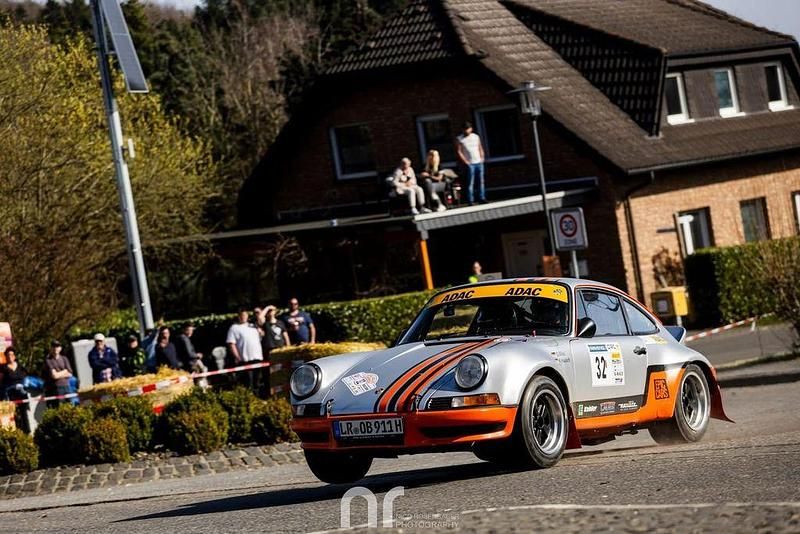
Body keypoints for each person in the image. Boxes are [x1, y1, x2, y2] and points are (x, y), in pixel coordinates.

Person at [226, 308, 265, 391]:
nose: (243, 317)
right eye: (242, 315)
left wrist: (261, 332)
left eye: (245, 315)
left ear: (248, 316)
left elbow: (262, 336)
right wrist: (238, 357)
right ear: (238, 316)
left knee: (257, 382)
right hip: (245, 359)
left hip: (257, 358)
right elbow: (231, 344)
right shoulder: (234, 328)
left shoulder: (253, 326)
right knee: (248, 383)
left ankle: (258, 399)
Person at [456, 121, 486, 205]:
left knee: (481, 181)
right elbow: (459, 151)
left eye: (468, 129)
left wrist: (482, 157)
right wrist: (465, 161)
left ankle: (482, 197)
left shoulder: (476, 137)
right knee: (470, 182)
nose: (467, 131)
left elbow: (480, 147)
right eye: (465, 129)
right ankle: (470, 199)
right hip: (470, 163)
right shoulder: (460, 139)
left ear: (471, 129)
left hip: (478, 161)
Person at [43, 340, 78, 405]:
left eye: (57, 346)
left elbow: (70, 374)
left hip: (67, 386)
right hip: (56, 388)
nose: (55, 348)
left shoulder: (64, 358)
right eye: (53, 346)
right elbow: (54, 376)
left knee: (70, 406)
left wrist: (59, 374)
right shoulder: (48, 360)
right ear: (51, 348)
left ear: (60, 348)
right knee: (59, 407)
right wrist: (64, 371)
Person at [175, 322, 209, 387]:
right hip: (191, 364)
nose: (191, 332)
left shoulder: (180, 338)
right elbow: (189, 354)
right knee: (200, 378)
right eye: (189, 330)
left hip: (186, 364)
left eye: (191, 330)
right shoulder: (184, 339)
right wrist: (197, 355)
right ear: (184, 330)